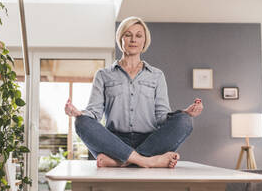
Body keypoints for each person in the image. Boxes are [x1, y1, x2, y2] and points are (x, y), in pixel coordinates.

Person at [64, 16, 203, 168]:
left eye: (138, 35)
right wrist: (78, 113)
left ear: (144, 41)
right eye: (128, 35)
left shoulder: (157, 75)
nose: (133, 40)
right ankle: (148, 161)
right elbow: (94, 113)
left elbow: (162, 117)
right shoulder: (103, 75)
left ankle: (120, 162)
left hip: (150, 141)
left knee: (185, 121)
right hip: (114, 142)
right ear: (120, 39)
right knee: (81, 122)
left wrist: (185, 113)